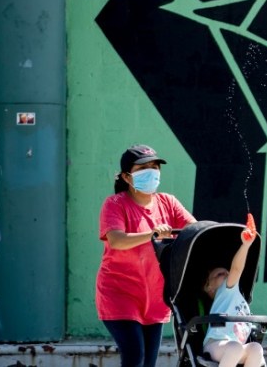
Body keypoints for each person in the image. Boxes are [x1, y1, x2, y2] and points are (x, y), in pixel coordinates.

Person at [96, 144, 197, 367]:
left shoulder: (168, 202)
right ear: (126, 176)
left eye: (155, 166)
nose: (151, 171)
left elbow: (194, 230)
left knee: (148, 362)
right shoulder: (115, 204)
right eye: (143, 167)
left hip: (154, 297)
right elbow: (117, 240)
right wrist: (152, 234)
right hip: (119, 295)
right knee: (135, 356)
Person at [199, 226, 265, 367]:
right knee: (235, 347)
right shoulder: (225, 292)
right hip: (216, 344)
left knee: (255, 348)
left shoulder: (238, 298)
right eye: (220, 274)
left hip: (236, 346)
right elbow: (236, 268)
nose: (228, 275)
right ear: (208, 287)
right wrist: (245, 245)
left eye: (227, 273)